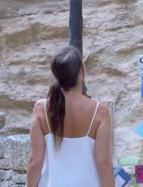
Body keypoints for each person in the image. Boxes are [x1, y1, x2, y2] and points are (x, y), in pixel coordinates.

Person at [26, 46, 114, 187]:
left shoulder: (40, 109)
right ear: (81, 72)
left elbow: (35, 162)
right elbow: (103, 163)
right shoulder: (100, 111)